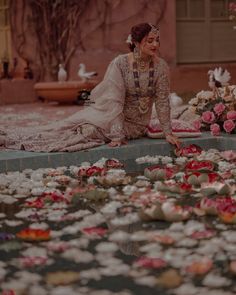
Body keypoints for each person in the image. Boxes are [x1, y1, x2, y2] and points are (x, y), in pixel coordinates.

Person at [0, 22, 180, 152]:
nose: (155, 45)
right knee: (67, 125)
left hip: (135, 125)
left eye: (157, 40)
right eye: (150, 41)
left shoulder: (161, 67)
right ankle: (10, 136)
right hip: (110, 115)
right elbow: (114, 100)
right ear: (137, 43)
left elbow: (163, 100)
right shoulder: (120, 63)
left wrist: (168, 133)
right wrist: (116, 134)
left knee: (88, 132)